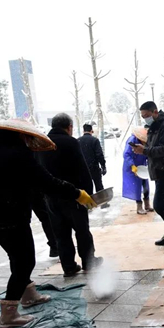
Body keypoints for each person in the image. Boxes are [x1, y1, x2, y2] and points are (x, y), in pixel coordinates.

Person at [0, 119, 96, 328]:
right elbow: (45, 181)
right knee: (24, 261)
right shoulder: (18, 154)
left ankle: (28, 295)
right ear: (19, 135)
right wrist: (76, 193)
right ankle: (8, 314)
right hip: (11, 215)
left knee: (16, 257)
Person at [38, 113, 102, 277]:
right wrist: (88, 195)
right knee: (82, 231)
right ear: (69, 127)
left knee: (61, 233)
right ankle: (88, 263)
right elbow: (82, 169)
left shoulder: (42, 142)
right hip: (73, 195)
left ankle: (68, 266)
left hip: (51, 197)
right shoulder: (71, 142)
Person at [131, 101, 164, 248]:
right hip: (159, 170)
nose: (145, 118)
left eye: (147, 115)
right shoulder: (154, 127)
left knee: (159, 205)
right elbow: (153, 147)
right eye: (143, 116)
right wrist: (143, 148)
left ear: (155, 112)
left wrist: (145, 151)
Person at [122, 127, 153, 215]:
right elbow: (127, 154)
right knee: (136, 186)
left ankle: (147, 204)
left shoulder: (147, 141)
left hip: (142, 166)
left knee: (145, 184)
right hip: (132, 166)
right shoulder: (132, 141)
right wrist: (132, 165)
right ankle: (139, 206)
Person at [78, 123, 106, 192]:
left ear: (83, 131)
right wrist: (103, 166)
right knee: (98, 186)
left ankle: (88, 202)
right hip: (94, 167)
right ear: (91, 131)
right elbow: (99, 154)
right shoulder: (95, 140)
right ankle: (100, 201)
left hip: (83, 168)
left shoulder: (78, 141)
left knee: (86, 188)